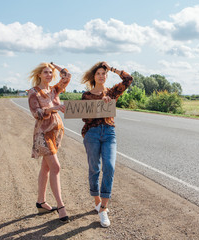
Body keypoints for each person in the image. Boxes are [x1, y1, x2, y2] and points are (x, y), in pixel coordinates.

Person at [81, 61, 132, 227]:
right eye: (99, 73)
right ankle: (97, 201)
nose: (102, 76)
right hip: (92, 134)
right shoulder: (86, 95)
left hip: (109, 133)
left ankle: (103, 208)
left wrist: (112, 68)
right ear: (93, 77)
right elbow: (85, 119)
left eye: (104, 73)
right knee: (94, 168)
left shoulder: (112, 92)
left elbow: (128, 79)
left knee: (109, 167)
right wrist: (99, 106)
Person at [28, 62, 71, 223]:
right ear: (39, 75)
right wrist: (54, 108)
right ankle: (61, 207)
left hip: (56, 133)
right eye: (45, 72)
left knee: (46, 168)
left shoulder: (54, 90)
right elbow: (36, 113)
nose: (49, 75)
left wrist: (55, 66)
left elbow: (67, 76)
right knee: (56, 167)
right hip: (43, 135)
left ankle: (41, 202)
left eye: (50, 73)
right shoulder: (34, 92)